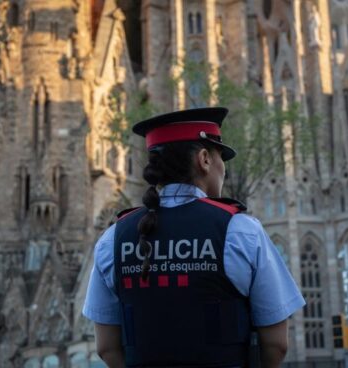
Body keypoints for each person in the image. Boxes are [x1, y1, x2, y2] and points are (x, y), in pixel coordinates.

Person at [83, 107, 305, 367]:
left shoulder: (113, 238)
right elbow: (277, 344)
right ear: (204, 159)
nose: (224, 169)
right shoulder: (241, 231)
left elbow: (106, 346)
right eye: (221, 158)